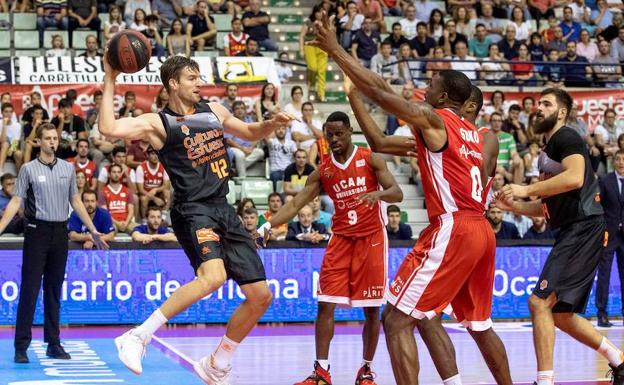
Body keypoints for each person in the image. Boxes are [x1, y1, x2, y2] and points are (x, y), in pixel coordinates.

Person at [100, 54, 294, 382]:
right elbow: (108, 128)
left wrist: (272, 124)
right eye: (192, 78)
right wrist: (110, 77)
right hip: (192, 209)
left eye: (199, 77)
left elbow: (249, 130)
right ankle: (138, 336)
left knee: (261, 296)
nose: (199, 82)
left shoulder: (214, 110)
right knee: (213, 277)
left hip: (223, 208)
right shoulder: (157, 123)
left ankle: (217, 362)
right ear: (173, 83)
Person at [346, 78, 512, 385]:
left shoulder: (478, 135)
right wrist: (354, 96)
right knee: (456, 321)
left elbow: (466, 158)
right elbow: (380, 143)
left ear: (466, 105)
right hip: (477, 229)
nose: (427, 90)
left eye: (433, 87)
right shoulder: (465, 137)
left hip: (458, 225)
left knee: (397, 318)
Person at [259, 111, 402, 384]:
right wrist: (267, 225)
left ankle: (366, 370)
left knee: (372, 309)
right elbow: (295, 203)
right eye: (329, 135)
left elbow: (397, 192)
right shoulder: (323, 169)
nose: (334, 139)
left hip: (371, 239)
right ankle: (321, 372)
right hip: (341, 239)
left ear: (350, 132)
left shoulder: (370, 158)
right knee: (325, 304)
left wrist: (379, 194)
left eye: (338, 134)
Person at [495, 88, 624, 384]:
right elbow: (545, 209)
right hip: (575, 228)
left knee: (539, 302)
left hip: (584, 227)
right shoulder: (548, 149)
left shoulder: (567, 137)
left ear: (562, 112)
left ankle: (545, 380)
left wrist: (526, 188)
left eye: (546, 104)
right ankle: (619, 360)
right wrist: (512, 204)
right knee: (560, 314)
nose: (539, 108)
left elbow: (575, 177)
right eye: (538, 103)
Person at [0, 123, 106, 364]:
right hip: (36, 232)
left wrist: (93, 230)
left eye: (55, 138)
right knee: (29, 290)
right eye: (47, 138)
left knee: (54, 290)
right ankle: (21, 346)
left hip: (61, 233)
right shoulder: (27, 169)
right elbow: (16, 202)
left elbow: (76, 201)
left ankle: (53, 344)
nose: (52, 142)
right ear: (39, 141)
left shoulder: (68, 169)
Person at [595, 150, 624, 327]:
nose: (621, 162)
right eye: (618, 159)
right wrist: (601, 230)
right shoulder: (605, 181)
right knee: (604, 274)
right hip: (609, 234)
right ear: (613, 162)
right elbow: (598, 207)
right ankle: (602, 313)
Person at [99, 164, 138, 234]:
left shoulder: (127, 191)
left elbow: (131, 211)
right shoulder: (103, 192)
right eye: (114, 172)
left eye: (118, 172)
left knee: (140, 231)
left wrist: (126, 223)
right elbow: (105, 213)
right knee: (109, 232)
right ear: (109, 174)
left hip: (127, 222)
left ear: (121, 174)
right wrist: (118, 223)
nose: (116, 174)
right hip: (111, 222)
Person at [136, 147, 172, 218]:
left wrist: (156, 190)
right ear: (147, 155)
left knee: (167, 193)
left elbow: (166, 185)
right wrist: (154, 198)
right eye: (152, 154)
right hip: (146, 192)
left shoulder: (164, 166)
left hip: (159, 192)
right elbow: (140, 190)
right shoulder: (141, 168)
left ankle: (163, 218)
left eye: (157, 154)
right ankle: (144, 220)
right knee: (143, 199)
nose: (156, 156)